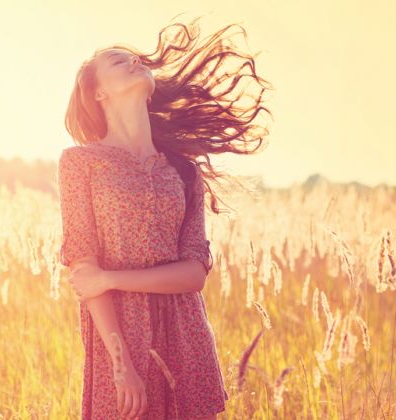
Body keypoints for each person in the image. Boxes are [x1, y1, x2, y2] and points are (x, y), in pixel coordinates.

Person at [58, 18, 272, 420]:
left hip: (185, 337)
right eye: (119, 61)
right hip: (119, 340)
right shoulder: (80, 164)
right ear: (99, 91)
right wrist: (122, 367)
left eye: (136, 58)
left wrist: (112, 278)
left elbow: (194, 274)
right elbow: (85, 272)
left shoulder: (184, 170)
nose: (135, 61)